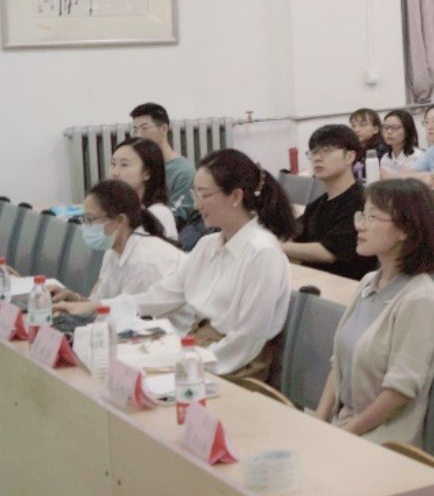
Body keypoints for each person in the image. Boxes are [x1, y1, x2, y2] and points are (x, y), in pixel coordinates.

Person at [84, 149, 294, 379]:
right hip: (200, 347)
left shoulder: (262, 253)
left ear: (235, 196)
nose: (196, 205)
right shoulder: (208, 245)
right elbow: (165, 294)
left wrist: (187, 363)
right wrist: (95, 306)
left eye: (204, 194)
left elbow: (247, 339)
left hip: (235, 366)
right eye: (195, 193)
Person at [315, 179, 434, 444]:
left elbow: (399, 392)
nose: (360, 226)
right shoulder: (368, 282)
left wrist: (343, 435)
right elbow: (338, 363)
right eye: (362, 215)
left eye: (372, 217)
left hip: (382, 438)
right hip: (344, 426)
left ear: (405, 230)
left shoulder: (420, 299)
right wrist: (318, 423)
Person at [52, 179, 183, 305]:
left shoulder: (142, 260)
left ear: (120, 220)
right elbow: (100, 304)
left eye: (91, 219)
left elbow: (130, 313)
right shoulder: (113, 251)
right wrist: (73, 299)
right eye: (85, 220)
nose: (86, 226)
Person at [283, 124, 368, 281]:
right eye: (314, 152)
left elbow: (330, 253)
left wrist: (277, 247)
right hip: (315, 280)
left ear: (349, 157)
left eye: (326, 150)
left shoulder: (360, 201)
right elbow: (295, 234)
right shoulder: (317, 204)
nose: (317, 158)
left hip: (344, 285)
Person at [129, 102, 195, 221]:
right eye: (135, 129)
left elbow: (177, 216)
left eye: (144, 128)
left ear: (163, 129)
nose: (138, 135)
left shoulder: (184, 172)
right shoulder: (137, 168)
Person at [110, 136, 179, 243]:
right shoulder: (116, 210)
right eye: (113, 164)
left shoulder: (158, 214)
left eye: (124, 165)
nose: (115, 172)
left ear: (147, 173)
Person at [378, 109, 420, 178]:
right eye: (385, 127)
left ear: (407, 131)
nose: (389, 132)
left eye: (395, 128)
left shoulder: (417, 157)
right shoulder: (385, 158)